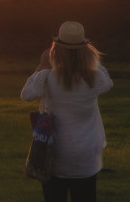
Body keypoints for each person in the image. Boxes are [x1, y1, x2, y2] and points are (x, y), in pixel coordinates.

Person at [21, 21, 113, 202]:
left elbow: (27, 95)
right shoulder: (94, 79)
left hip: (54, 155)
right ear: (84, 49)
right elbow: (108, 82)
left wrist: (43, 65)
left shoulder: (49, 77)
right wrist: (91, 59)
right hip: (86, 156)